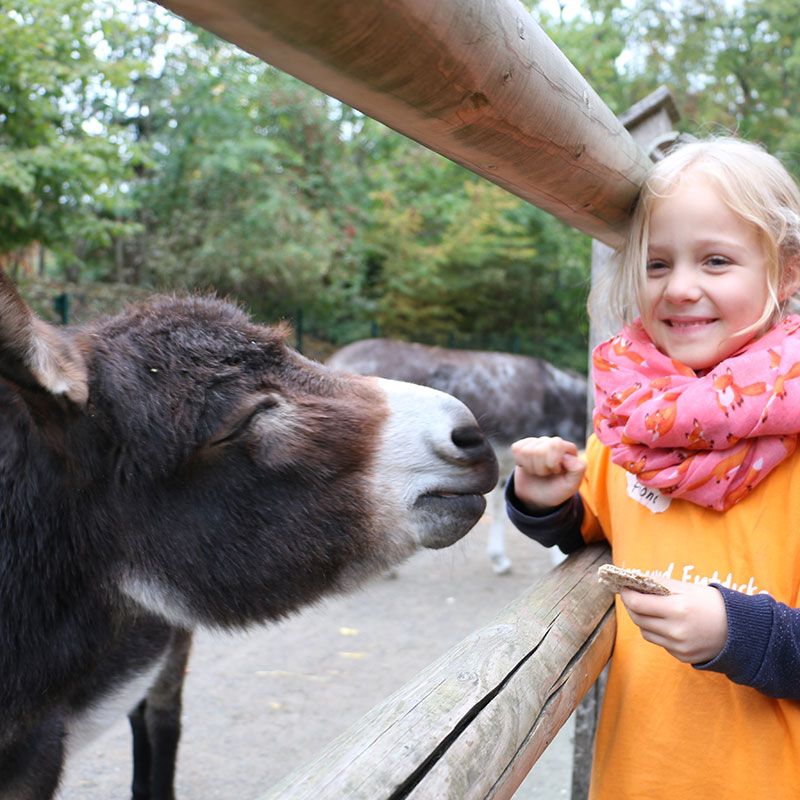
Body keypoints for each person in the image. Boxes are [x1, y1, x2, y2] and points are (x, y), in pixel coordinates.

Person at [506, 137, 800, 798]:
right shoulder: (632, 427)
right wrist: (548, 499)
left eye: (716, 260)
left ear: (785, 273)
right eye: (658, 263)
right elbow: (599, 526)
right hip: (639, 777)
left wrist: (739, 631)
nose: (682, 287)